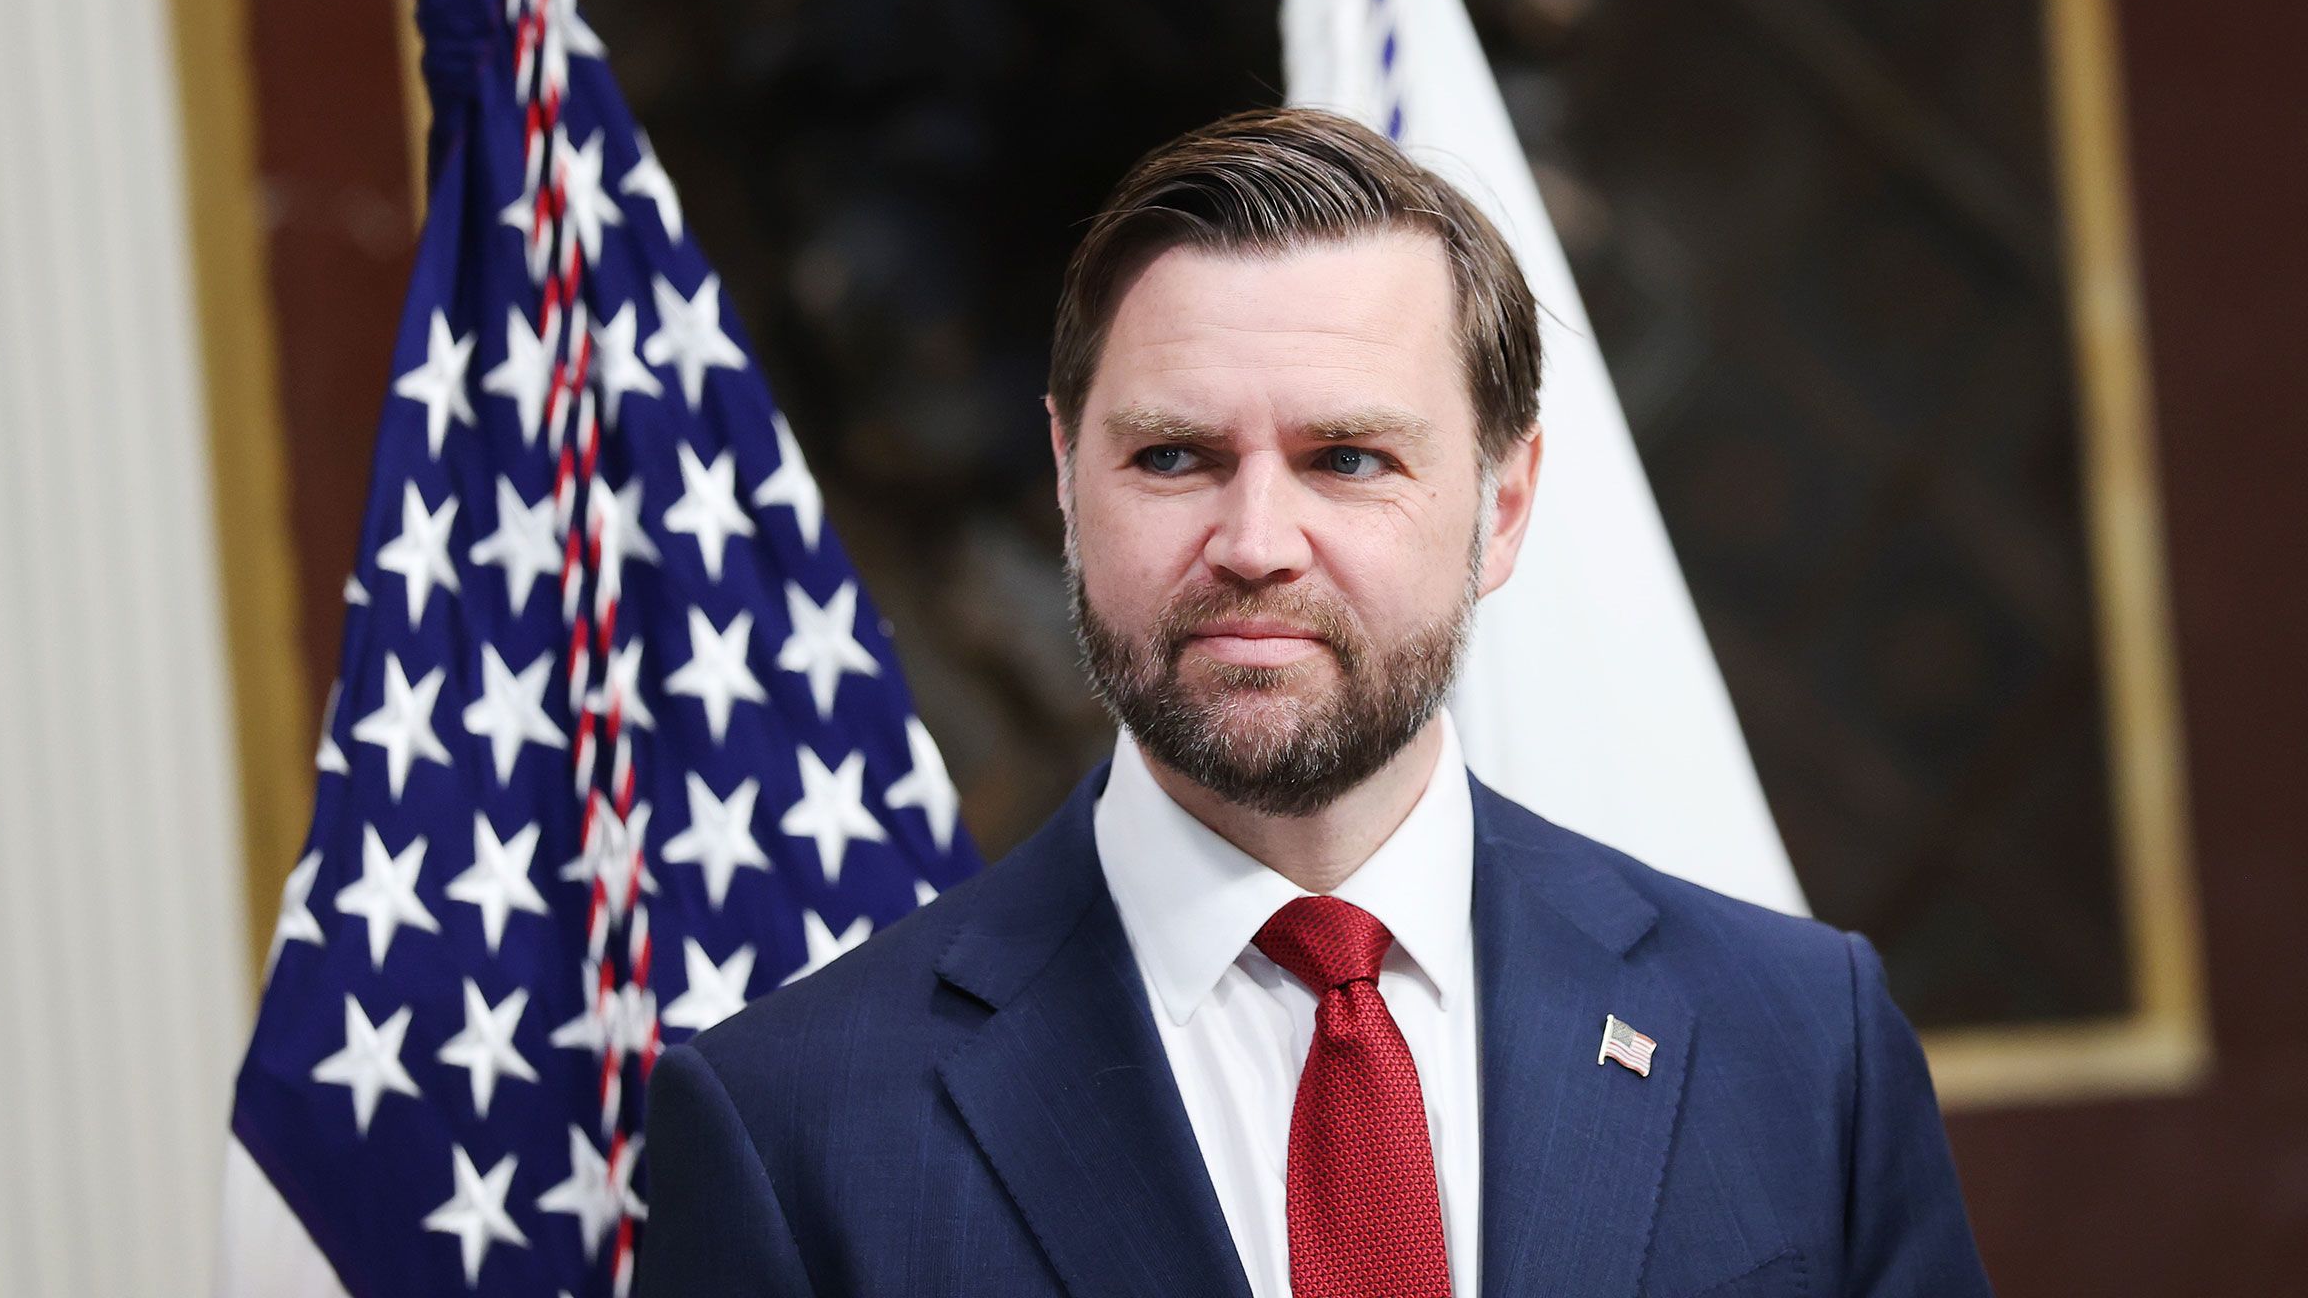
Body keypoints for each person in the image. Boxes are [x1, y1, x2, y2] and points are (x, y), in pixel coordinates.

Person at [637, 107, 1993, 1297]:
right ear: (1066, 479)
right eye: (1173, 456)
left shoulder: (1804, 1045)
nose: (1256, 540)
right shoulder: (792, 1131)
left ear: (1503, 505)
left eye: (1347, 457)